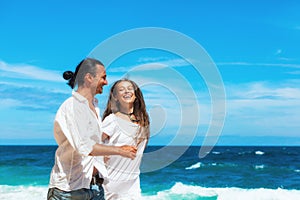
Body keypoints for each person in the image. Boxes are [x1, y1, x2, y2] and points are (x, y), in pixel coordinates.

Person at [47, 58, 137, 200]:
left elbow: (94, 144)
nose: (106, 82)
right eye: (103, 77)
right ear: (89, 77)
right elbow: (85, 147)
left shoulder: (94, 106)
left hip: (95, 188)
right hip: (69, 192)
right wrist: (119, 150)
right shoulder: (72, 107)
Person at [101, 79, 150, 199]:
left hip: (133, 183)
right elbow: (92, 145)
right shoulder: (112, 120)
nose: (126, 91)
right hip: (112, 184)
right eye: (121, 90)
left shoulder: (143, 121)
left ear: (136, 94)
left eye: (130, 88)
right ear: (116, 97)